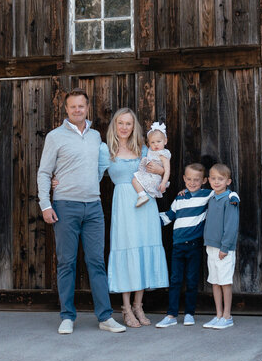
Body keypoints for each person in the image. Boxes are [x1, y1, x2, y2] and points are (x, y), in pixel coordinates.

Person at [36, 89, 127, 334]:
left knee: (97, 262)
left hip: (94, 207)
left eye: (81, 106)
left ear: (87, 108)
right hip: (65, 206)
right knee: (66, 262)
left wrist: (86, 181)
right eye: (73, 107)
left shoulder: (97, 136)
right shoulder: (55, 137)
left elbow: (99, 168)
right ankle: (67, 316)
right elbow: (45, 172)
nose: (77, 110)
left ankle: (105, 317)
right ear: (66, 109)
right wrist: (46, 204)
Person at [104, 108, 169, 327]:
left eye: (128, 124)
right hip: (123, 204)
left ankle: (138, 306)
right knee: (127, 249)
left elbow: (161, 169)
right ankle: (125, 308)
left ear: (134, 127)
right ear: (115, 125)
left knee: (142, 250)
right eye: (120, 123)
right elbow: (87, 172)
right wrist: (60, 181)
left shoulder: (144, 149)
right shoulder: (106, 150)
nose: (124, 127)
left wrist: (160, 172)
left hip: (146, 204)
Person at [155, 162, 212, 328]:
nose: (192, 182)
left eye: (196, 179)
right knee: (175, 280)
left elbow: (223, 192)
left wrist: (233, 197)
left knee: (192, 280)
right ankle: (171, 315)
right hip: (178, 245)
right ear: (184, 179)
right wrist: (149, 220)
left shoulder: (207, 195)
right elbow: (168, 217)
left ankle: (189, 313)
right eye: (189, 179)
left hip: (194, 245)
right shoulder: (180, 197)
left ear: (204, 181)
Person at [202, 163, 240, 329]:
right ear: (208, 180)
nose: (216, 182)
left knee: (225, 282)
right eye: (213, 178)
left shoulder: (230, 199)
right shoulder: (211, 198)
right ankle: (218, 315)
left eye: (221, 179)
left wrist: (225, 247)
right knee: (215, 282)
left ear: (228, 181)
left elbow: (231, 226)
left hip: (224, 249)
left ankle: (227, 316)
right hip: (211, 247)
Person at [131, 122, 171, 206]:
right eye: (152, 142)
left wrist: (163, 183)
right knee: (135, 180)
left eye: (158, 141)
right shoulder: (151, 150)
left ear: (165, 141)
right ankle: (142, 196)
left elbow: (167, 171)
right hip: (149, 175)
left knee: (135, 180)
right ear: (149, 144)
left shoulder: (163, 155)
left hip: (154, 178)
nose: (156, 144)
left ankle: (142, 196)